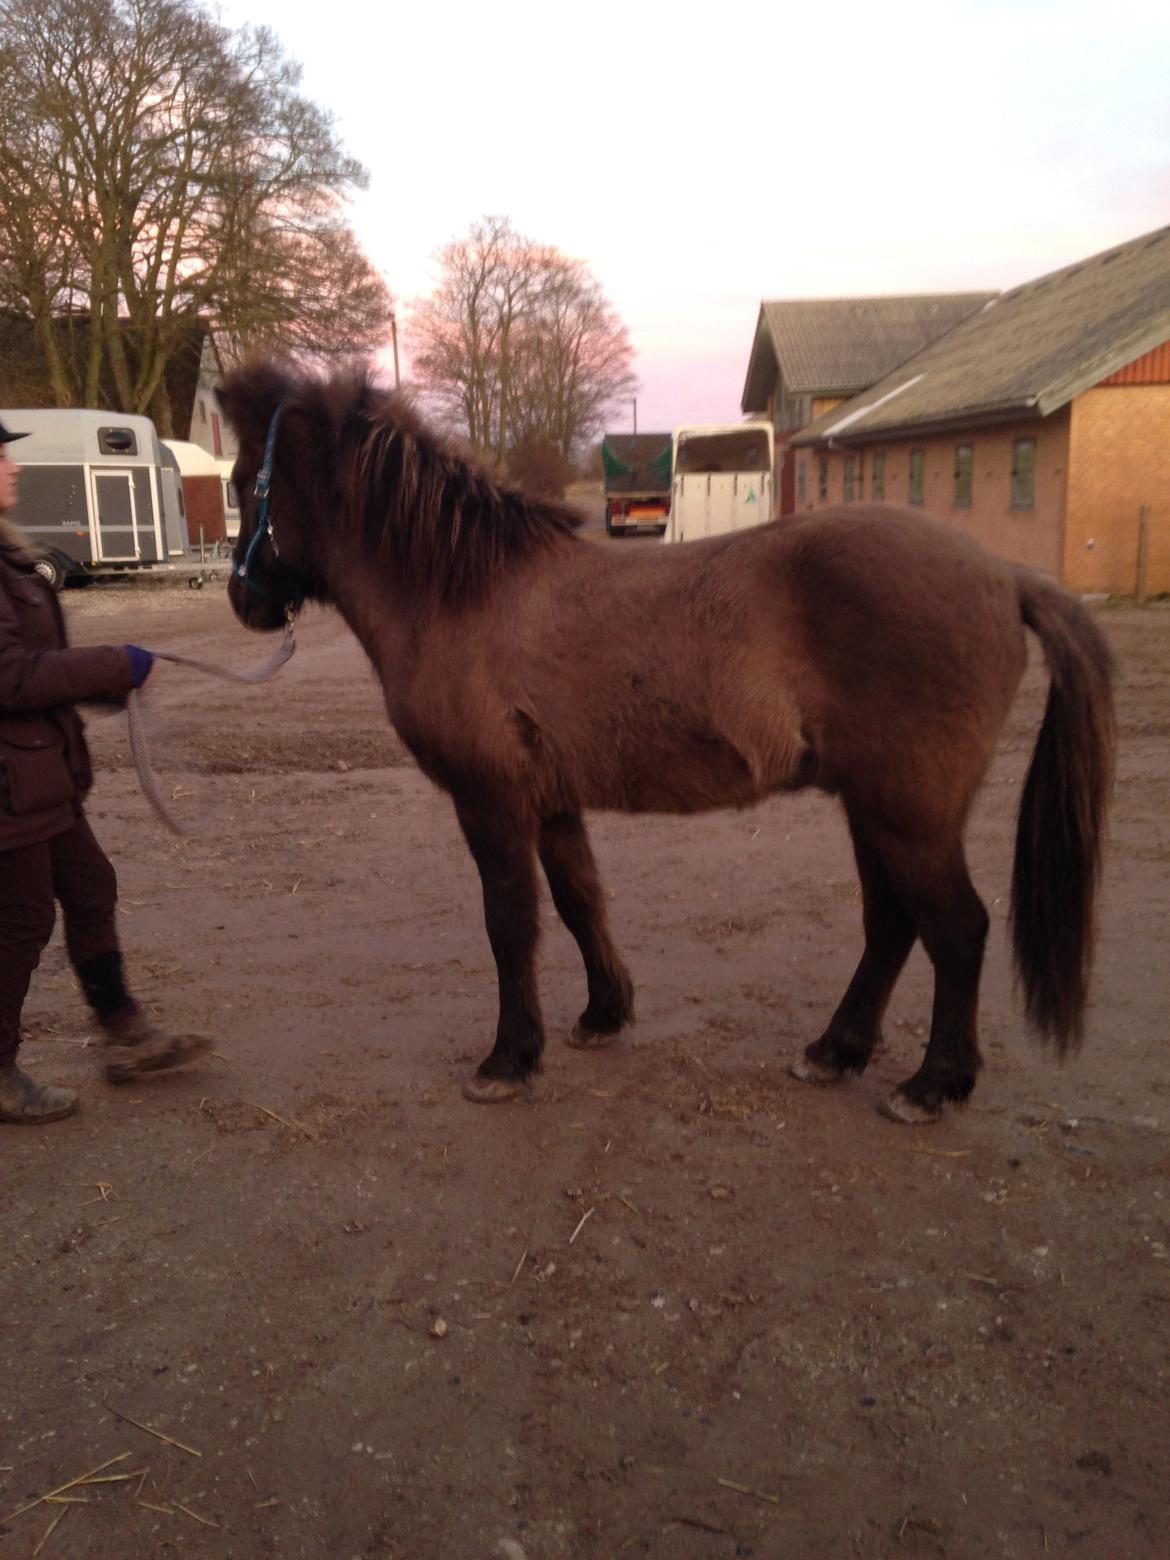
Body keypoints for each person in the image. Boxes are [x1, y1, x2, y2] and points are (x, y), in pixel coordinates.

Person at [0, 416, 210, 1124]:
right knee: (22, 918)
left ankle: (124, 1034)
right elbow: (9, 676)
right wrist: (113, 666)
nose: (13, 468)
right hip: (10, 788)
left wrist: (105, 685)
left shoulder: (10, 558)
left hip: (38, 779)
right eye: (0, 459)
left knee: (90, 886)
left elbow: (33, 669)